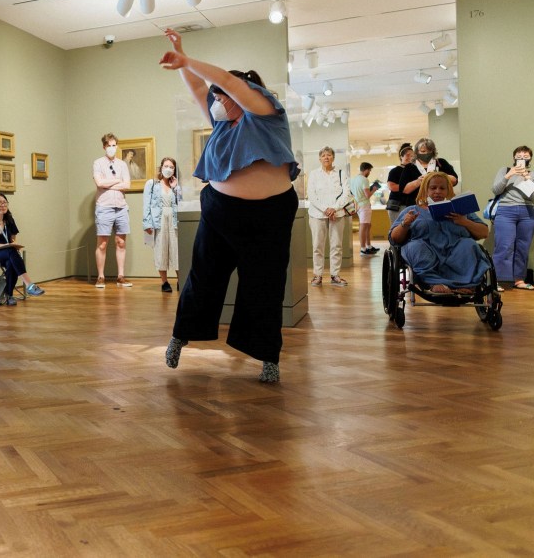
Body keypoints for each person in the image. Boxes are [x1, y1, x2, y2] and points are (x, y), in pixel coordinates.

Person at [159, 28, 300, 383]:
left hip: (269, 216)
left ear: (243, 93)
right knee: (204, 277)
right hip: (221, 211)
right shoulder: (220, 124)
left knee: (265, 283)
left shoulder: (267, 111)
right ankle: (180, 336)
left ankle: (268, 358)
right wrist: (181, 56)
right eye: (216, 96)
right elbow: (197, 88)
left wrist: (190, 60)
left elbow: (224, 80)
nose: (216, 99)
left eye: (222, 94)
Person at [389, 172, 489, 294]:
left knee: (468, 244)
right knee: (415, 246)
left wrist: (464, 222)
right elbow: (394, 238)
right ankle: (433, 283)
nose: (438, 191)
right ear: (425, 190)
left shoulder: (460, 210)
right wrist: (405, 224)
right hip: (425, 253)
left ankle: (463, 284)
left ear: (448, 190)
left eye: (442, 188)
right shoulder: (412, 210)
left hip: (455, 252)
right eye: (433, 188)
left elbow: (484, 233)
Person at [0, 193, 46, 306]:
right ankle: (29, 285)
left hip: (6, 253)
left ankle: (9, 295)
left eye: (4, 202)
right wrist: (9, 246)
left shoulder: (9, 220)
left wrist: (13, 244)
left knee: (11, 262)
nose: (2, 205)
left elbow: (13, 239)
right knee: (11, 253)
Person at [491, 145, 534, 291]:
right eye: (519, 156)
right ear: (514, 157)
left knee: (523, 248)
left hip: (527, 213)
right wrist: (509, 175)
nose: (522, 158)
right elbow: (495, 189)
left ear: (530, 159)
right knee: (504, 246)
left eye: (526, 156)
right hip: (505, 211)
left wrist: (527, 178)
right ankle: (497, 281)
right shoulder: (504, 170)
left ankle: (519, 280)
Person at [307, 146, 352, 287]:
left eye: (329, 155)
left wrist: (335, 208)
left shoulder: (341, 173)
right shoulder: (313, 174)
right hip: (317, 215)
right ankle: (317, 275)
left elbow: (347, 193)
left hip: (337, 214)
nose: (326, 157)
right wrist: (325, 209)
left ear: (333, 158)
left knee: (336, 245)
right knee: (317, 246)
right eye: (323, 155)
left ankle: (335, 275)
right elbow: (312, 195)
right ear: (320, 158)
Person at [92, 132, 132, 288]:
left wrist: (108, 183)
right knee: (102, 244)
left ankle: (120, 276)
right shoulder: (98, 163)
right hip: (104, 206)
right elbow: (99, 182)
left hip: (121, 207)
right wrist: (117, 181)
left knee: (121, 242)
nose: (112, 148)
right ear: (104, 146)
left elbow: (127, 185)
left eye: (114, 145)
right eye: (109, 145)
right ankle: (100, 277)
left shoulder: (122, 164)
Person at [142, 157, 182, 292]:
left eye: (171, 167)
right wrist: (147, 223)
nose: (168, 169)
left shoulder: (176, 185)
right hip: (158, 221)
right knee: (161, 250)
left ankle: (180, 281)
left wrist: (176, 188)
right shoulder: (152, 184)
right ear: (161, 167)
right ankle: (164, 282)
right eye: (166, 166)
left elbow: (181, 202)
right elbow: (146, 205)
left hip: (174, 220)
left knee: (176, 251)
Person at [399, 137, 458, 207]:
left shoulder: (441, 162)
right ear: (417, 152)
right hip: (416, 206)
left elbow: (454, 181)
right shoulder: (409, 167)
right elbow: (404, 190)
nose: (426, 154)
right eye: (423, 151)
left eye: (429, 151)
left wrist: (437, 176)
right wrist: (419, 181)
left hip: (441, 204)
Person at [350, 161, 379, 255]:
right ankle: (363, 248)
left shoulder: (354, 180)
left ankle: (368, 246)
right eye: (369, 170)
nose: (369, 173)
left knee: (367, 226)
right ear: (366, 170)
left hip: (358, 205)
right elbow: (367, 195)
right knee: (363, 226)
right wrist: (374, 189)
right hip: (364, 205)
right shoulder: (364, 180)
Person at [386, 143, 414, 225]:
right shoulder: (395, 171)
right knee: (397, 228)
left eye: (412, 156)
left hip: (411, 205)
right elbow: (391, 186)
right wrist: (409, 187)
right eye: (407, 155)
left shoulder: (415, 171)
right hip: (397, 206)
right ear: (401, 156)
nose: (410, 157)